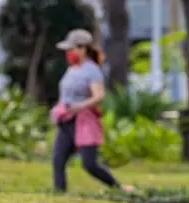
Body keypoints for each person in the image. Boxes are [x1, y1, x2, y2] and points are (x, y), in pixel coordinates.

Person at [51, 29, 133, 193]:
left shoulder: (92, 70)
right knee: (58, 159)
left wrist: (80, 107)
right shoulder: (72, 69)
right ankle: (59, 193)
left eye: (71, 49)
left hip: (84, 122)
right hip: (67, 120)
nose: (69, 53)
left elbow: (99, 96)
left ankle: (119, 188)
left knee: (90, 164)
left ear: (82, 49)